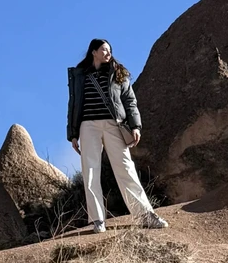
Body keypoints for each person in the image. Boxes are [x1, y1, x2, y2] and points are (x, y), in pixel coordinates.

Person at [67, 38, 168, 233]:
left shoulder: (118, 73)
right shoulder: (80, 76)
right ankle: (97, 220)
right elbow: (73, 106)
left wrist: (135, 126)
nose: (108, 53)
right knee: (90, 172)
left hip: (115, 125)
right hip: (88, 127)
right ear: (93, 52)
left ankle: (145, 215)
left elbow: (130, 101)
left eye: (109, 50)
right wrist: (73, 134)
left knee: (126, 168)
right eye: (104, 50)